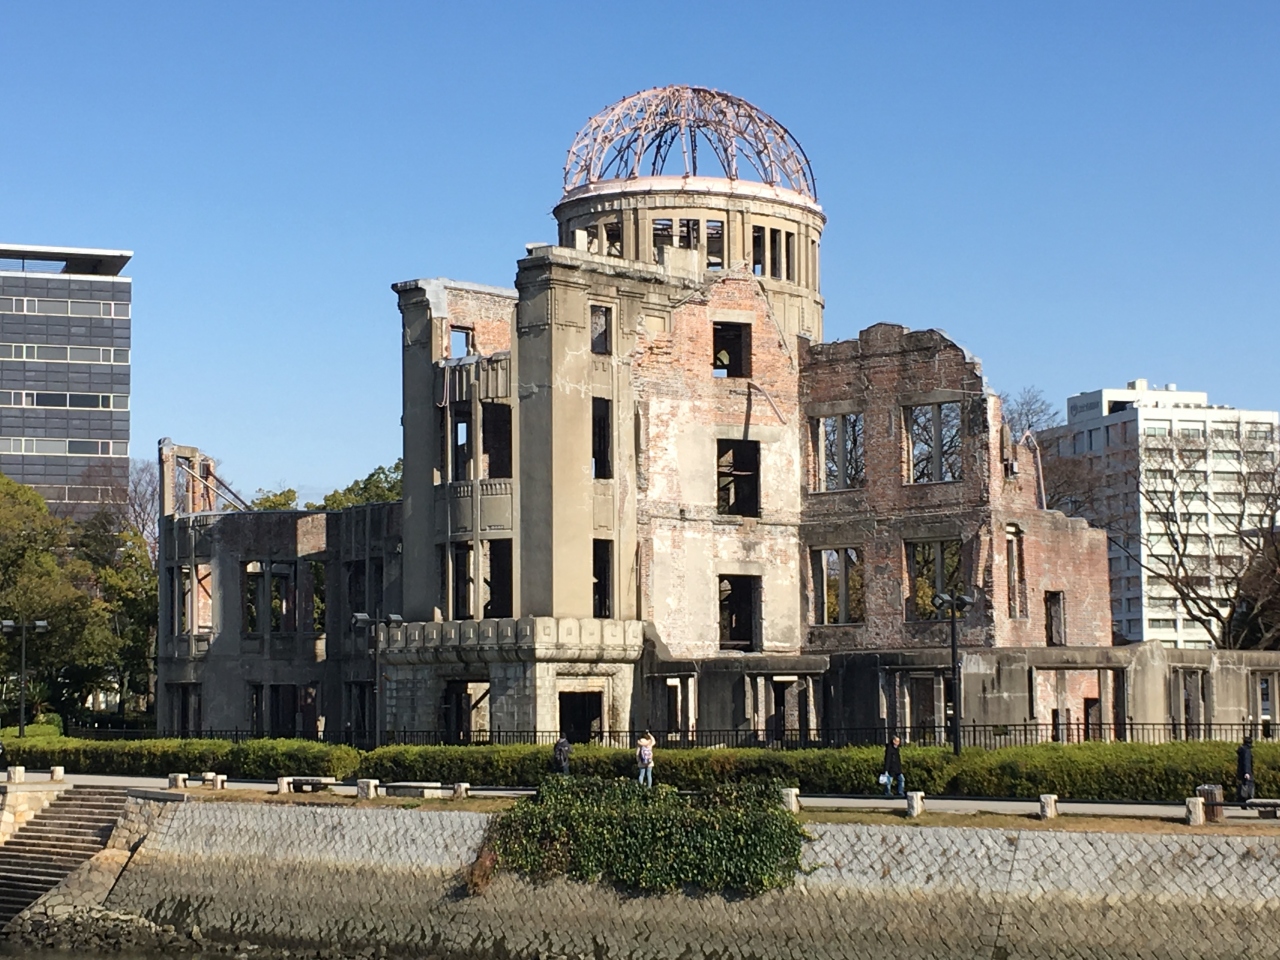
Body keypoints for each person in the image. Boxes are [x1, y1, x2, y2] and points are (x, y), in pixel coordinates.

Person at [1238, 735, 1255, 805]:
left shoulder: (1242, 750)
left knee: (1245, 786)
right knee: (1248, 787)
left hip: (1242, 771)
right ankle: (1246, 802)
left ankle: (1243, 801)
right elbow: (1246, 762)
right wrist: (1247, 772)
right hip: (1247, 772)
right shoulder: (1247, 751)